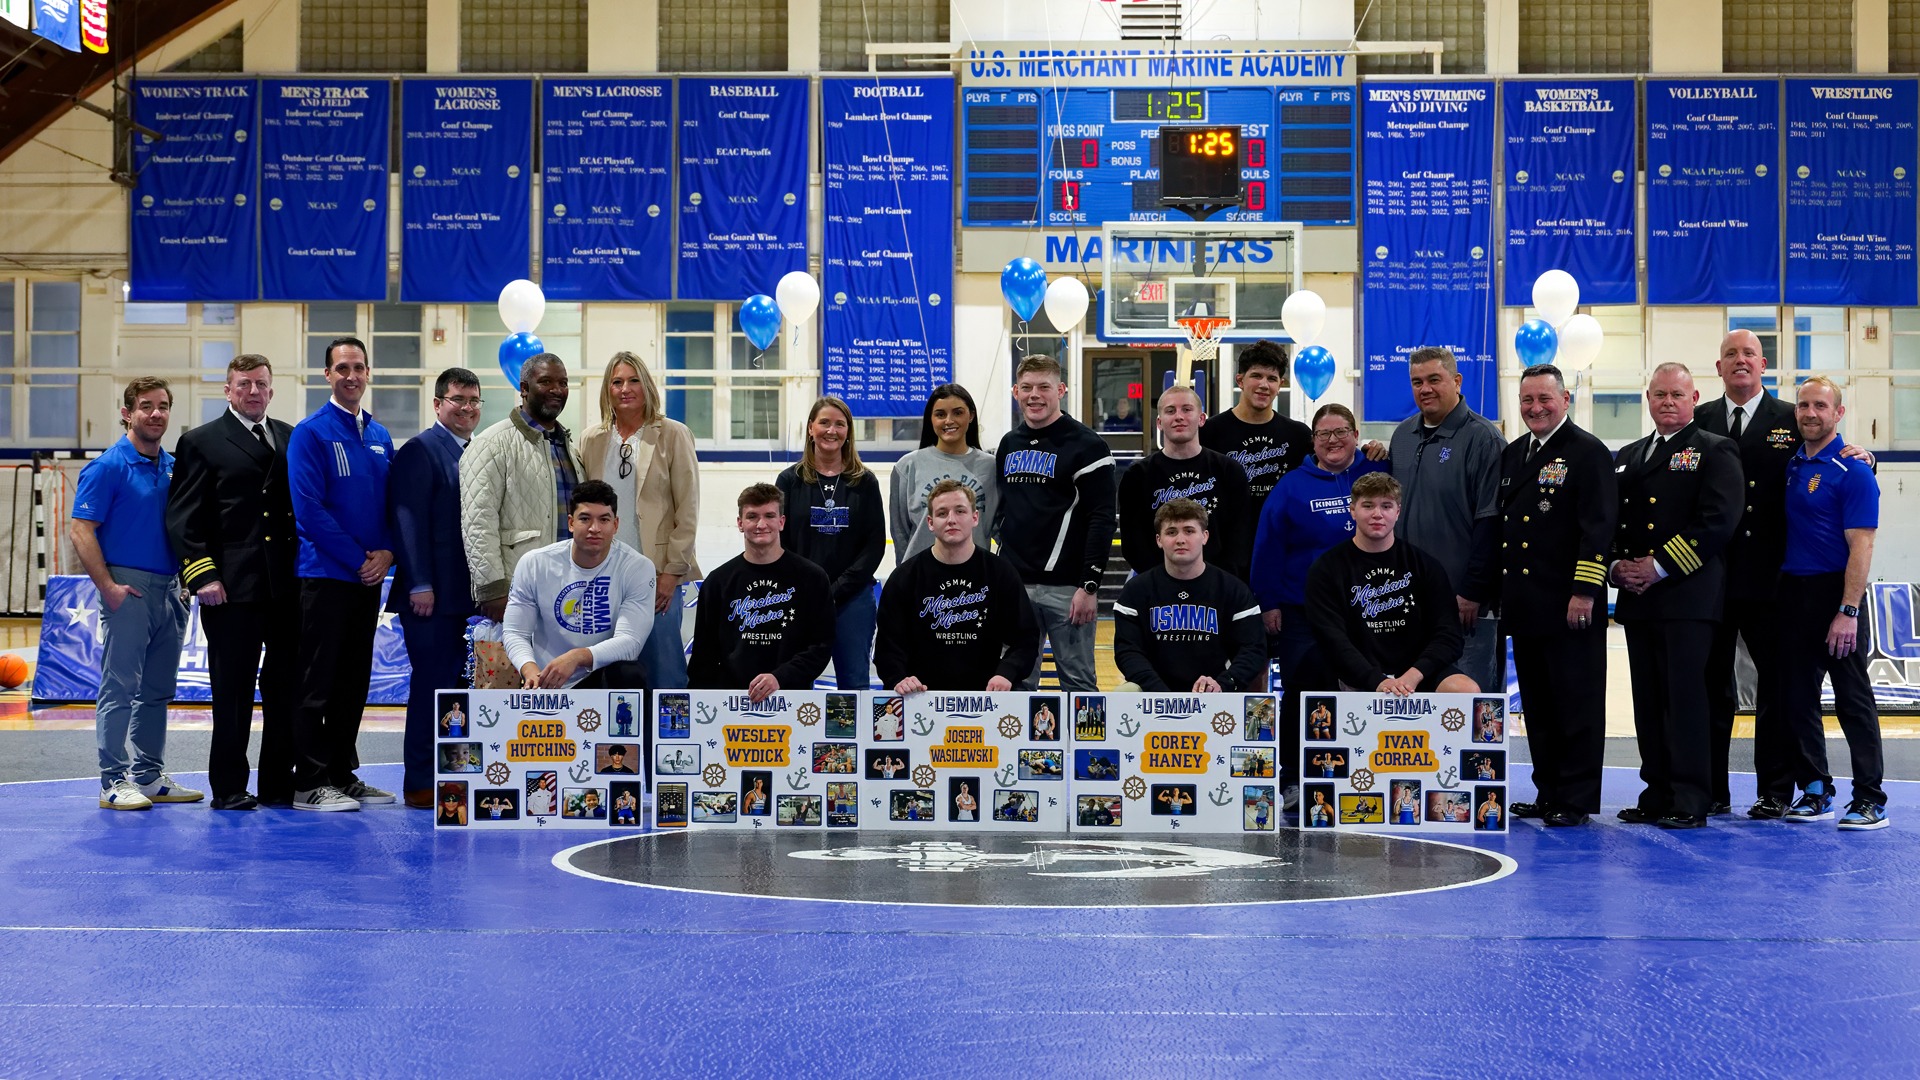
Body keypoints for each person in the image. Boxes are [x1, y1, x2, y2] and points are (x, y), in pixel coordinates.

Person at [1696, 331, 1874, 819]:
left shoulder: (1790, 419)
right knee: (1713, 689)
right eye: (1730, 353)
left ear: (1763, 364)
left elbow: (1828, 449)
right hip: (1710, 579)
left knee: (1779, 690)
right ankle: (1711, 790)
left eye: (1748, 354)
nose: (1740, 361)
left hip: (1771, 581)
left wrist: (1864, 455)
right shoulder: (1700, 419)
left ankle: (1775, 789)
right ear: (1719, 366)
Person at [1610, 362, 1744, 830]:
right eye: (1659, 394)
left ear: (1694, 399)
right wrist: (1617, 567)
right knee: (1648, 701)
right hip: (1639, 599)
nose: (1668, 402)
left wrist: (1658, 566)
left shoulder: (1715, 449)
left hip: (1688, 596)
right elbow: (1611, 521)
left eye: (1677, 395)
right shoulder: (1627, 455)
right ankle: (1658, 791)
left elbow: (1718, 522)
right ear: (1648, 399)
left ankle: (1690, 796)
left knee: (1686, 699)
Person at [165, 355, 298, 811]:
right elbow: (183, 517)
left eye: (261, 383)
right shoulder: (200, 441)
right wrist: (202, 575)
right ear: (228, 391)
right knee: (233, 692)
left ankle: (279, 783)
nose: (254, 392)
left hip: (284, 587)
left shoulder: (288, 436)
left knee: (284, 691)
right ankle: (229, 787)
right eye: (244, 385)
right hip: (231, 588)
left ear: (272, 389)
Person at [72, 377, 199, 811]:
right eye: (146, 406)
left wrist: (186, 578)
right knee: (120, 687)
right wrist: (106, 586)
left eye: (163, 406)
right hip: (128, 586)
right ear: (128, 413)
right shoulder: (108, 466)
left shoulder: (174, 465)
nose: (156, 414)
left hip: (171, 590)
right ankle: (112, 780)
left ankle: (147, 775)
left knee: (159, 689)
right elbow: (80, 529)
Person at [1498, 364, 1618, 828]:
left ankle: (1576, 796)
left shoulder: (1587, 452)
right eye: (1527, 400)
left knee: (1576, 702)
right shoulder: (1513, 455)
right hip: (1527, 603)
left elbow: (1598, 529)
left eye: (1545, 399)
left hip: (1570, 604)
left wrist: (1586, 591)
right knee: (1540, 705)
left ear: (1565, 400)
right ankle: (1548, 789)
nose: (1535, 408)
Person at [1252, 402, 1388, 808]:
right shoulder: (1292, 486)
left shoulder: (1376, 474)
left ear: (1356, 435)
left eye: (1341, 431)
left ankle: (1364, 774)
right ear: (1312, 440)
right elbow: (1268, 546)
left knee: (1365, 687)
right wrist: (1268, 602)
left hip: (1368, 609)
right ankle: (1293, 778)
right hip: (1301, 610)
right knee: (1301, 693)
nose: (1333, 440)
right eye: (1324, 433)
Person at [285, 338, 396, 812]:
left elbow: (391, 505)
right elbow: (307, 509)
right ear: (327, 375)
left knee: (353, 681)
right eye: (341, 368)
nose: (351, 376)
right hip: (326, 577)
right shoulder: (310, 433)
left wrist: (387, 553)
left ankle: (341, 774)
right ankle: (309, 781)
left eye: (359, 368)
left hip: (367, 580)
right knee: (318, 681)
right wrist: (358, 558)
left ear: (368, 373)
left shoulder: (380, 435)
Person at [1776, 378, 1888, 830]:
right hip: (1793, 592)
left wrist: (1848, 610)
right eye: (1803, 405)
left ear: (1837, 413)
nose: (1809, 413)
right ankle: (1816, 788)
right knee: (1797, 697)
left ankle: (1870, 798)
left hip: (1836, 596)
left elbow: (1862, 547)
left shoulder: (1854, 470)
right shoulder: (1792, 465)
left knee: (1852, 698)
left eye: (1820, 405)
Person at [386, 367, 482, 809]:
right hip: (430, 598)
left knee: (461, 691)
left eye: (474, 400)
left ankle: (456, 776)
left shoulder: (476, 451)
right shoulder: (421, 450)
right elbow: (407, 521)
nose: (466, 408)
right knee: (433, 688)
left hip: (467, 597)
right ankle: (422, 781)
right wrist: (419, 583)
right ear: (438, 404)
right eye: (458, 399)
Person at [993, 355, 1117, 691]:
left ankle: (1086, 747)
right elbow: (1002, 511)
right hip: (1015, 586)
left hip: (1068, 589)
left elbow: (1102, 519)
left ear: (1060, 389)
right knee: (1015, 682)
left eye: (1044, 387)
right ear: (1015, 392)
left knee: (1078, 684)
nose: (1035, 395)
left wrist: (1089, 586)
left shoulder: (1088, 445)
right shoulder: (1008, 445)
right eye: (1027, 387)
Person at [1387, 346, 1506, 692]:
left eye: (1434, 379)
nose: (1425, 389)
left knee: (1471, 707)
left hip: (1463, 605)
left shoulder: (1484, 439)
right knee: (1415, 706)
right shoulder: (1402, 436)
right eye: (1417, 382)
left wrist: (1472, 592)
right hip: (1408, 600)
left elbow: (1492, 521)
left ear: (1456, 381)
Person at [581, 352, 702, 690]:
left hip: (658, 574)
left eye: (633, 380)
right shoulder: (591, 439)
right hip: (603, 577)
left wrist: (670, 572)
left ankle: (672, 742)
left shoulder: (673, 435)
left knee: (664, 671)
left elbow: (688, 509)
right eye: (616, 382)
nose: (625, 389)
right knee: (611, 672)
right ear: (607, 390)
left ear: (647, 386)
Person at [1305, 473, 1478, 696]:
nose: (1377, 514)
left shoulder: (1426, 566)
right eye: (1368, 505)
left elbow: (1449, 636)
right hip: (1355, 675)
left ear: (1397, 512)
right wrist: (1376, 680)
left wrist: (1412, 676)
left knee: (1466, 690)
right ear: (1352, 511)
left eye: (1386, 506)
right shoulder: (1326, 570)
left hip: (1416, 674)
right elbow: (1332, 640)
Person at [875, 480, 1039, 694]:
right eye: (942, 513)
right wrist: (899, 678)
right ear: (931, 523)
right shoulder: (905, 578)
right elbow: (888, 646)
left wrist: (1006, 672)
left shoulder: (1000, 573)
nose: (951, 520)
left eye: (960, 511)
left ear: (975, 518)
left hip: (984, 696)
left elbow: (1025, 638)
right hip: (921, 697)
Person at [462, 353, 584, 624]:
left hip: (570, 587)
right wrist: (492, 589)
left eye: (563, 383)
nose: (557, 390)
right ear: (524, 389)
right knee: (520, 667)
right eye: (546, 382)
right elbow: (477, 523)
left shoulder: (568, 448)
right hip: (517, 589)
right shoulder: (491, 444)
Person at [504, 480, 655, 690]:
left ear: (616, 525)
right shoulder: (535, 563)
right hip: (546, 679)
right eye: (585, 519)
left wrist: (578, 657)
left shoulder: (637, 567)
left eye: (604, 519)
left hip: (600, 677)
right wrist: (530, 671)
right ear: (571, 523)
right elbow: (515, 632)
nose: (594, 528)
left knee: (630, 673)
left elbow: (630, 642)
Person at [776, 396, 885, 689]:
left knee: (854, 686)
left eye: (840, 424)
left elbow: (874, 545)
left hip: (853, 600)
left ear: (848, 432)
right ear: (811, 428)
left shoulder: (865, 482)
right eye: (824, 422)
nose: (831, 430)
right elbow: (779, 542)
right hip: (801, 599)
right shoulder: (789, 481)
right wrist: (809, 589)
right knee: (795, 684)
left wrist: (836, 590)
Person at [688, 483, 834, 700]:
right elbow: (704, 653)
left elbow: (821, 646)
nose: (761, 524)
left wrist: (780, 678)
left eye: (769, 515)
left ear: (781, 522)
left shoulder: (812, 578)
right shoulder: (718, 581)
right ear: (740, 523)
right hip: (732, 699)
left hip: (792, 697)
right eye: (752, 516)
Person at [1112, 499, 1266, 693]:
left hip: (1214, 691)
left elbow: (1252, 649)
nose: (1180, 539)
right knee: (1125, 693)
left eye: (1189, 531)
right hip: (1154, 692)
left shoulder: (1233, 589)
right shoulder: (1136, 591)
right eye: (1171, 532)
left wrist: (1224, 683)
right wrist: (1162, 694)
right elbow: (1127, 651)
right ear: (1159, 540)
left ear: (1205, 536)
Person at [1118, 385, 1253, 579]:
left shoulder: (1228, 471)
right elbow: (1133, 542)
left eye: (1187, 409)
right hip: (1155, 581)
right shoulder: (1137, 475)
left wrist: (1219, 580)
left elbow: (1240, 536)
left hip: (1219, 581)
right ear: (1159, 422)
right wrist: (1163, 580)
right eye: (1170, 411)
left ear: (1201, 419)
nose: (1178, 416)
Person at [889, 384, 997, 562]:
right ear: (930, 419)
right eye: (940, 414)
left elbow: (999, 527)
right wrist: (906, 575)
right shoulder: (907, 466)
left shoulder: (991, 467)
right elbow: (900, 533)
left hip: (974, 576)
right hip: (921, 578)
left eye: (958, 413)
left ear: (970, 415)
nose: (949, 420)